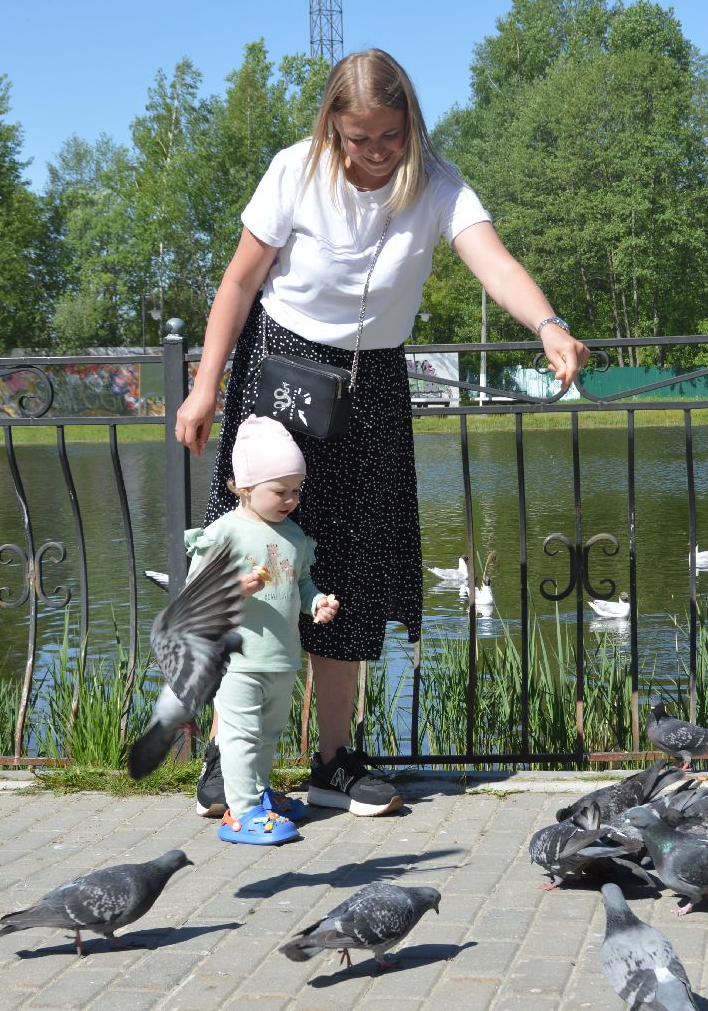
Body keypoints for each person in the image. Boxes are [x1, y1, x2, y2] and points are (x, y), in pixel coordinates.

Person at [175, 48, 588, 816]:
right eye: (359, 138)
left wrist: (549, 323)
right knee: (252, 569)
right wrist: (204, 387)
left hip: (373, 387)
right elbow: (238, 281)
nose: (375, 154)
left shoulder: (436, 182)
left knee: (353, 575)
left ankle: (335, 763)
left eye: (390, 136)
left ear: (410, 125)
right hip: (281, 378)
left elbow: (492, 262)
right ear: (332, 125)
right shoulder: (294, 170)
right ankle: (227, 757)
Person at [185, 415, 340, 844]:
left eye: (295, 490)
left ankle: (257, 794)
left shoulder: (293, 534)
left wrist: (317, 603)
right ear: (244, 486)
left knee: (268, 733)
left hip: (281, 656)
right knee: (238, 735)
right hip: (237, 658)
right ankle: (241, 813)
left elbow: (301, 582)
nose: (290, 499)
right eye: (279, 490)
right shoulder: (224, 533)